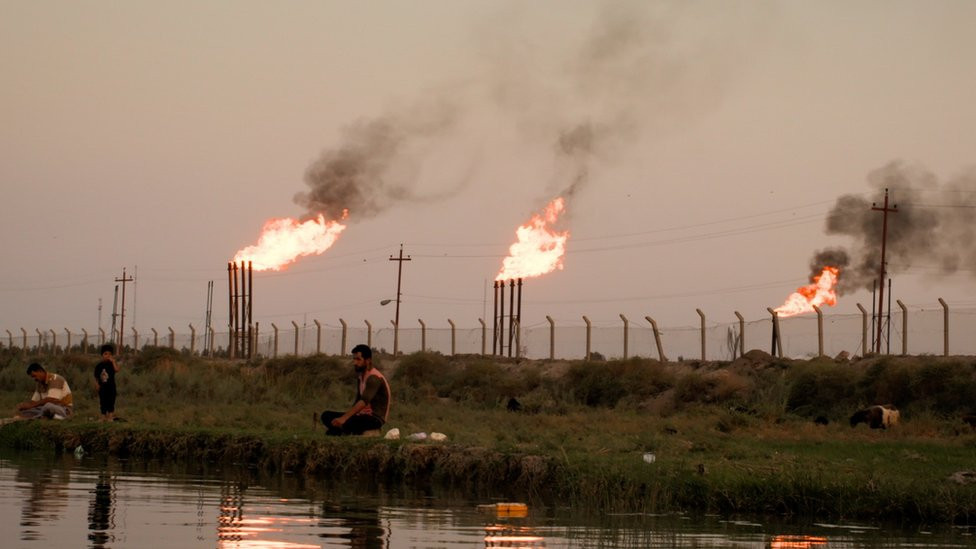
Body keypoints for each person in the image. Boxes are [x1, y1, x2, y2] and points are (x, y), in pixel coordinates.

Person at [320, 344, 391, 436]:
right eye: (354, 359)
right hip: (361, 415)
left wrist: (344, 418)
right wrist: (347, 416)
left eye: (358, 359)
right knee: (326, 415)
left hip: (374, 418)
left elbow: (364, 401)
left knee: (342, 424)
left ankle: (341, 431)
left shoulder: (374, 378)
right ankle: (343, 430)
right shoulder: (361, 377)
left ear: (368, 360)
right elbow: (357, 400)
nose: (355, 362)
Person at [94, 343, 120, 422]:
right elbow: (96, 376)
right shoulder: (99, 366)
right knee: (103, 401)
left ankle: (110, 417)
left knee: (111, 401)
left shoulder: (112, 364)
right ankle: (103, 416)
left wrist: (113, 362)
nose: (107, 356)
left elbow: (117, 370)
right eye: (105, 354)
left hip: (111, 387)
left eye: (110, 354)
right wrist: (97, 384)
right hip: (102, 387)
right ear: (102, 355)